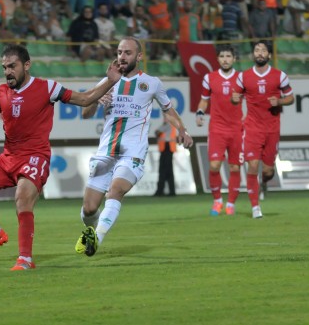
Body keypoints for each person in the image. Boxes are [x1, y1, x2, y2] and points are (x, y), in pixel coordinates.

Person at [0, 44, 122, 270]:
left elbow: (84, 100)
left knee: (22, 196)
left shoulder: (48, 88)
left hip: (35, 157)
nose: (7, 72)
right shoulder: (0, 93)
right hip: (8, 158)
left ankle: (25, 259)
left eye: (12, 66)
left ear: (26, 65)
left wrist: (111, 80)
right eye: (4, 67)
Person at [75, 36, 193, 257]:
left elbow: (168, 110)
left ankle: (96, 240)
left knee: (116, 190)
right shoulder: (107, 81)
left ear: (139, 57)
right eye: (119, 52)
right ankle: (92, 229)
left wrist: (183, 130)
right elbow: (84, 112)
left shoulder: (151, 83)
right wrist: (97, 100)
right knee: (89, 209)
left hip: (132, 153)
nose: (122, 57)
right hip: (106, 153)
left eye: (127, 53)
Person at [231, 41, 294, 218]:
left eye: (263, 50)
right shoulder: (244, 76)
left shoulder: (279, 76)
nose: (259, 53)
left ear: (268, 55)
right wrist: (235, 99)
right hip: (252, 128)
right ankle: (255, 208)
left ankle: (264, 183)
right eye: (257, 50)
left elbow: (290, 98)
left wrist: (280, 101)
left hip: (272, 129)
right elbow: (235, 98)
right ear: (253, 54)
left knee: (267, 171)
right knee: (252, 165)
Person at [196, 46, 243, 216]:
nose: (225, 59)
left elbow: (251, 100)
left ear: (234, 59)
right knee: (215, 165)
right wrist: (200, 112)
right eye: (222, 56)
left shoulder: (241, 78)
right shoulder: (210, 78)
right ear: (218, 59)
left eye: (228, 56)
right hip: (217, 128)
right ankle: (217, 201)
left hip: (237, 128)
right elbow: (204, 100)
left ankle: (231, 203)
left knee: (235, 168)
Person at [154, 113, 177, 197]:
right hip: (165, 149)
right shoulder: (169, 125)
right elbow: (157, 133)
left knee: (165, 171)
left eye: (166, 117)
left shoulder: (168, 125)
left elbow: (157, 132)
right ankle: (169, 191)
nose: (164, 119)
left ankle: (162, 191)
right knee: (166, 171)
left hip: (168, 149)